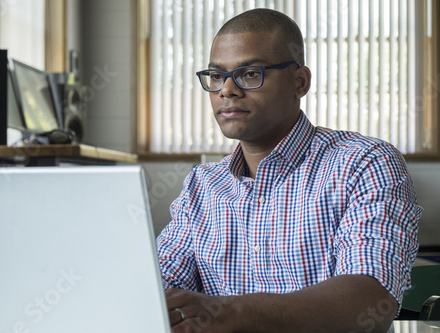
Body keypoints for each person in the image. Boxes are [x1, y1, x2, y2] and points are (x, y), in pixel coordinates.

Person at [157, 8, 422, 333]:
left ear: (300, 81)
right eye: (216, 76)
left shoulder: (364, 163)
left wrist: (230, 314)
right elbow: (158, 283)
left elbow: (369, 301)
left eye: (250, 73)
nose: (226, 90)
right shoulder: (202, 185)